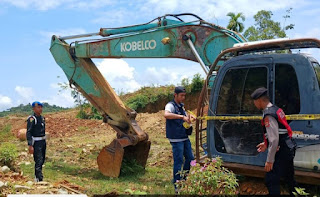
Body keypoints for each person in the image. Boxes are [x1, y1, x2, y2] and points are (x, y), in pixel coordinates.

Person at [251, 87, 297, 195]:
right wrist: (266, 143)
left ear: (259, 100)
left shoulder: (268, 115)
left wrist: (269, 160)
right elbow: (280, 132)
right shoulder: (276, 109)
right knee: (289, 178)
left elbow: (275, 139)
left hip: (281, 150)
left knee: (271, 180)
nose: (254, 104)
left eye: (254, 102)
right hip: (288, 147)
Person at [164, 86, 195, 192]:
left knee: (190, 158)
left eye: (184, 96)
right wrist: (182, 117)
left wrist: (190, 118)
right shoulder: (170, 105)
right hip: (176, 138)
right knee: (179, 161)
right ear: (175, 95)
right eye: (181, 95)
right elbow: (166, 114)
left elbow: (186, 116)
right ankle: (177, 185)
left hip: (184, 136)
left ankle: (183, 179)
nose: (183, 98)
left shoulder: (181, 106)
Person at [26, 101, 46, 182]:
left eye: (41, 107)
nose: (40, 109)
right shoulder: (32, 119)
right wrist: (30, 145)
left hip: (43, 142)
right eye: (38, 107)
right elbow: (29, 132)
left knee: (42, 160)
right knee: (38, 160)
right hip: (36, 142)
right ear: (34, 109)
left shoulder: (42, 118)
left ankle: (38, 176)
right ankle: (39, 178)